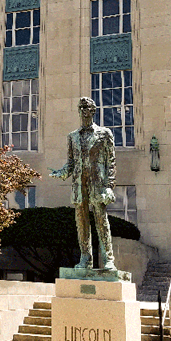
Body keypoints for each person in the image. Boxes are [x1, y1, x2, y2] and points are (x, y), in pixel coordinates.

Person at [50, 97, 119, 271]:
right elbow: (71, 163)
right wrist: (62, 172)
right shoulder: (72, 136)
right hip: (79, 186)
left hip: (98, 184)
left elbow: (111, 161)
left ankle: (108, 259)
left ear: (93, 111)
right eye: (80, 108)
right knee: (82, 225)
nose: (83, 111)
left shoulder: (104, 134)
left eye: (86, 107)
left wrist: (109, 185)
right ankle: (85, 259)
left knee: (101, 222)